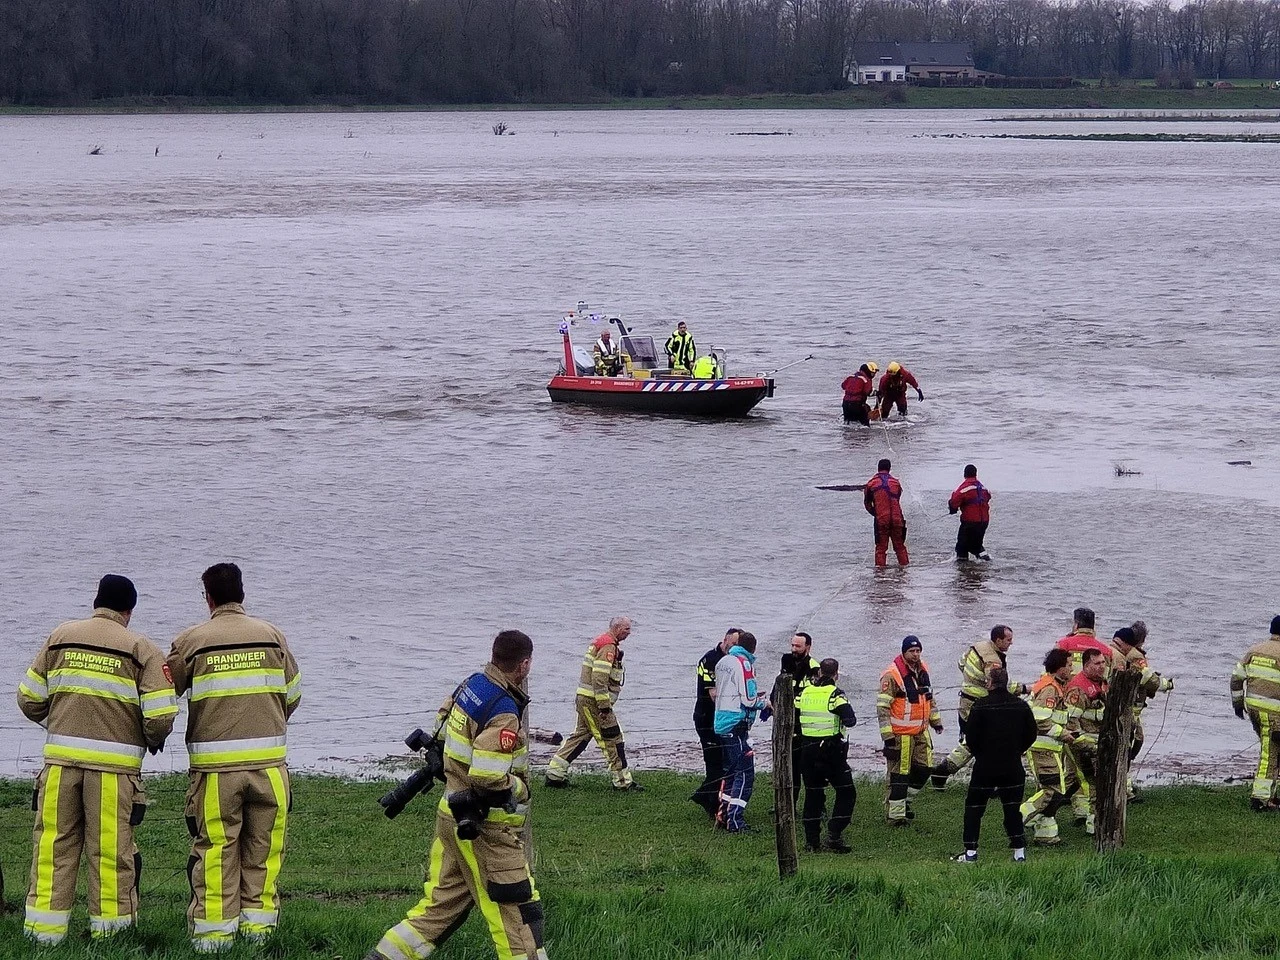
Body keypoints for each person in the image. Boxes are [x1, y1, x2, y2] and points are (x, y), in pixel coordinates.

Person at [366, 630, 548, 960]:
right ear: (524, 665)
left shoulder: (471, 685)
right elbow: (489, 775)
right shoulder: (504, 710)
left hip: (451, 816)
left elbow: (440, 723)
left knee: (437, 911)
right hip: (488, 829)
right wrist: (519, 789)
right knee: (519, 917)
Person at [17, 574, 177, 945]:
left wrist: (58, 718)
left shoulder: (61, 637)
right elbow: (160, 715)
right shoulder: (141, 648)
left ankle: (43, 934)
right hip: (113, 773)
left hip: (60, 766)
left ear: (96, 602)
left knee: (52, 848)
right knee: (110, 855)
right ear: (129, 611)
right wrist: (150, 740)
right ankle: (111, 936)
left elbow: (28, 699)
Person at [167, 562, 302, 952]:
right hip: (270, 768)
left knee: (215, 851)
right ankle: (259, 936)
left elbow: (164, 695)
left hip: (215, 772)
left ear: (207, 597)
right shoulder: (273, 637)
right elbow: (291, 695)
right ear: (242, 593)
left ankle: (213, 938)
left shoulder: (191, 641)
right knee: (264, 852)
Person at [953, 666, 1037, 863]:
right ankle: (1019, 853)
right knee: (1012, 808)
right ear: (1006, 683)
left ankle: (971, 853)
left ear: (988, 683)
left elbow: (971, 738)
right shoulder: (1021, 706)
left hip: (985, 766)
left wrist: (982, 753)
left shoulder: (980, 706)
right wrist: (1017, 749)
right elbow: (1031, 734)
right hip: (1013, 765)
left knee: (974, 808)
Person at [545, 617, 639, 791]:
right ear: (617, 628)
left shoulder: (602, 642)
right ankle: (622, 782)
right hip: (594, 703)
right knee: (612, 739)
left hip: (585, 699)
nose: (629, 632)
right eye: (626, 629)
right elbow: (599, 678)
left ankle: (555, 774)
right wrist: (604, 706)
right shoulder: (608, 647)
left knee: (581, 735)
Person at [932, 625, 1025, 789]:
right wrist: (1025, 689)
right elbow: (999, 685)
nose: (1011, 643)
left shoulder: (978, 647)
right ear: (998, 640)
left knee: (973, 743)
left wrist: (972, 681)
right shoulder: (993, 661)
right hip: (980, 708)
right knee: (983, 745)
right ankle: (946, 772)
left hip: (967, 704)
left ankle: (942, 772)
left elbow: (961, 663)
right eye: (1008, 640)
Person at [877, 636, 942, 825]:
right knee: (899, 774)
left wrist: (935, 721)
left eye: (918, 651)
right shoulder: (892, 675)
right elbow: (882, 708)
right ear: (904, 652)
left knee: (925, 768)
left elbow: (929, 698)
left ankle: (904, 803)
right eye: (912, 651)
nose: (916, 654)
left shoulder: (923, 670)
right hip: (900, 734)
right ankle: (895, 816)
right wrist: (888, 738)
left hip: (921, 730)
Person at [1020, 649, 1080, 846]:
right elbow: (1041, 720)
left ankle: (1045, 835)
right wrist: (1064, 734)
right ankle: (1018, 818)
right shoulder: (1049, 689)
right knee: (1052, 790)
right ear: (1060, 667)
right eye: (1069, 665)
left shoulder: (1056, 686)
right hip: (1042, 748)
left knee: (1050, 789)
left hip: (1050, 748)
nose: (1072, 669)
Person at [796, 659, 857, 853]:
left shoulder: (804, 693)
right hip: (831, 752)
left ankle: (811, 842)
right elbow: (850, 720)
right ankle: (834, 834)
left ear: (819, 672)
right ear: (836, 675)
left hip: (807, 751)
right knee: (847, 792)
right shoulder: (835, 695)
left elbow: (794, 713)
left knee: (812, 795)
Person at [1111, 623, 1174, 800]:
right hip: (1131, 707)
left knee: (1129, 743)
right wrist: (1166, 684)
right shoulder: (1135, 655)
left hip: (1125, 706)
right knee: (1132, 743)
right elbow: (1147, 678)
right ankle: (1124, 786)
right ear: (1141, 640)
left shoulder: (1116, 652)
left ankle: (1125, 783)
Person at [713, 631, 766, 833]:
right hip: (737, 723)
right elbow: (749, 699)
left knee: (731, 772)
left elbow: (728, 690)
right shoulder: (744, 663)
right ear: (753, 648)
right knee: (745, 775)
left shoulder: (723, 661)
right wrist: (765, 703)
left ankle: (722, 814)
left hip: (722, 721)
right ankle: (735, 821)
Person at [765, 632, 821, 807]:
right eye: (792, 645)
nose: (794, 649)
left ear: (808, 647)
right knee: (790, 766)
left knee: (810, 769)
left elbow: (814, 696)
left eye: (798, 646)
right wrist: (773, 702)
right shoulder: (787, 661)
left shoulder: (813, 667)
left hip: (805, 725)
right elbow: (780, 684)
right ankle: (788, 805)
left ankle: (818, 806)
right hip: (786, 723)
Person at [1230, 616, 1280, 812]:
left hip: (1253, 710)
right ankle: (1260, 799)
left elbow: (1236, 679)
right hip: (1274, 713)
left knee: (1272, 751)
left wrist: (1237, 704)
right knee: (1270, 754)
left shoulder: (1254, 650)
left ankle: (1270, 795)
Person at [690, 628, 742, 817]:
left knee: (724, 762)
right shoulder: (711, 659)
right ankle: (709, 800)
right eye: (734, 644)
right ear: (725, 640)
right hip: (707, 718)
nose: (736, 648)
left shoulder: (734, 661)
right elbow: (714, 694)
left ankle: (709, 797)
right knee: (715, 764)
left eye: (739, 645)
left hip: (722, 720)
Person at [1063, 647, 1108, 835]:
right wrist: (1086, 746)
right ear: (1086, 665)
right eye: (1097, 663)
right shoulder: (1078, 688)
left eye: (1104, 662)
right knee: (1093, 783)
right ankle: (1093, 824)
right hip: (1083, 744)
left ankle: (1040, 812)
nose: (1102, 667)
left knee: (1069, 783)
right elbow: (1071, 724)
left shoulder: (1104, 683)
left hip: (1097, 742)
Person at [864, 458, 909, 567]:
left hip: (881, 520)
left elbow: (867, 504)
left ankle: (880, 576)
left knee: (880, 549)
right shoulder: (896, 483)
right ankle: (905, 572)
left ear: (878, 468)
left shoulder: (871, 484)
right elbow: (897, 498)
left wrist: (876, 513)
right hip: (897, 519)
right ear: (889, 469)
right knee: (900, 547)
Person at [948, 464, 992, 561]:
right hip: (984, 522)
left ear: (964, 474)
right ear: (976, 474)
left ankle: (963, 571)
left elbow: (954, 501)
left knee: (962, 547)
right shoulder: (983, 487)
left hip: (970, 522)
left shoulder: (964, 488)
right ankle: (986, 563)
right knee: (976, 544)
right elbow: (988, 497)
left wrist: (952, 509)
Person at [1055, 607, 1114, 674]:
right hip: (1095, 684)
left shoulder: (1063, 645)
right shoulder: (1106, 650)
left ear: (1076, 625)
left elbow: (1052, 672)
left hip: (1070, 684)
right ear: (1093, 626)